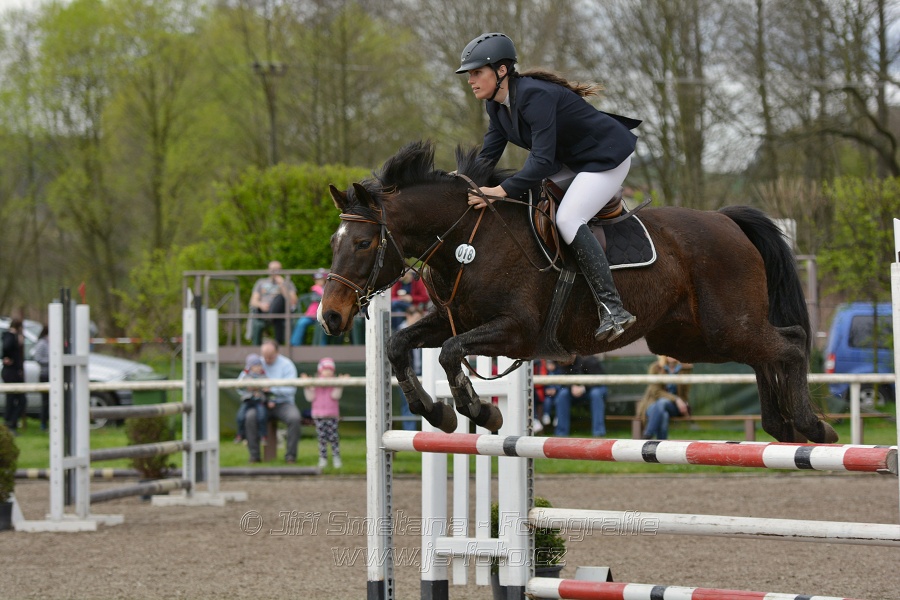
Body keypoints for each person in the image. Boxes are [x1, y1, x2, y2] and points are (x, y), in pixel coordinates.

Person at [457, 32, 640, 342]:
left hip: (605, 158)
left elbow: (540, 162)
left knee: (568, 218)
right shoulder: (496, 106)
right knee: (533, 202)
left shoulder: (534, 96)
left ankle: (613, 307)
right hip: (571, 160)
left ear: (501, 71)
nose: (471, 80)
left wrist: (499, 192)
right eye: (469, 74)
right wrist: (458, 183)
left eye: (477, 72)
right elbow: (487, 156)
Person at [243, 340, 301, 463]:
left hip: (283, 403)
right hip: (261, 403)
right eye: (265, 356)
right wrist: (248, 386)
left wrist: (271, 389)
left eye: (271, 356)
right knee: (250, 417)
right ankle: (254, 456)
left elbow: (291, 390)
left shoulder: (287, 365)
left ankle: (290, 456)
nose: (267, 359)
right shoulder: (256, 362)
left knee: (294, 418)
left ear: (277, 352)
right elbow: (240, 382)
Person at [302, 357, 346, 469]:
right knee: (322, 438)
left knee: (333, 437)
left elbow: (335, 396)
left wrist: (340, 384)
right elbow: (310, 397)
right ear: (320, 370)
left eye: (330, 369)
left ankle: (336, 457)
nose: (328, 372)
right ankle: (323, 458)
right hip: (319, 415)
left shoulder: (334, 382)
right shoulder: (315, 382)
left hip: (332, 415)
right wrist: (307, 385)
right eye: (325, 369)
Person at [637, 355, 693, 440]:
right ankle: (661, 446)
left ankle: (647, 436)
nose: (671, 354)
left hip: (675, 406)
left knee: (663, 403)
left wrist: (680, 402)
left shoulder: (685, 368)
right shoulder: (656, 367)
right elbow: (656, 391)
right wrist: (676, 399)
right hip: (653, 403)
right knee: (663, 414)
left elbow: (685, 392)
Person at [552, 355, 608, 437]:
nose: (561, 362)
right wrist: (572, 387)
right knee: (562, 395)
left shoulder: (588, 360)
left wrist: (583, 388)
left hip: (594, 388)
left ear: (573, 355)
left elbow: (599, 380)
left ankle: (598, 432)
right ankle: (561, 433)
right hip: (574, 391)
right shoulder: (563, 363)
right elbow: (562, 381)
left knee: (596, 394)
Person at [249, 260, 298, 345]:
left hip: (281, 313)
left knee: (280, 298)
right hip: (264, 311)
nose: (274, 272)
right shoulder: (261, 282)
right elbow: (253, 301)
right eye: (272, 269)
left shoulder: (287, 283)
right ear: (268, 270)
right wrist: (261, 305)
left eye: (277, 269)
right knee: (276, 319)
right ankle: (277, 343)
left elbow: (293, 302)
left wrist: (282, 285)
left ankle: (272, 316)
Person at [395, 305, 424, 431]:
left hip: (422, 371)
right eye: (417, 318)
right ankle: (409, 433)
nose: (419, 322)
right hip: (406, 373)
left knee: (427, 402)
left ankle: (427, 431)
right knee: (408, 403)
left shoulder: (422, 332)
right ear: (408, 316)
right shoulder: (398, 334)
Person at [235, 354, 269, 444]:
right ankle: (240, 435)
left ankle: (263, 436)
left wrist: (262, 389)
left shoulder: (264, 376)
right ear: (250, 366)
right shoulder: (244, 376)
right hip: (247, 401)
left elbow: (268, 389)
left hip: (259, 401)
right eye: (255, 365)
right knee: (240, 417)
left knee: (262, 416)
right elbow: (239, 387)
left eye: (259, 365)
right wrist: (247, 387)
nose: (258, 367)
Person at [290, 269, 328, 346]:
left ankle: (322, 346)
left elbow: (325, 298)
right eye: (316, 279)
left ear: (324, 279)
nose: (317, 281)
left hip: (322, 316)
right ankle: (295, 344)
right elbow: (316, 297)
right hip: (310, 315)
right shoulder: (315, 288)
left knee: (322, 327)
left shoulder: (327, 288)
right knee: (301, 322)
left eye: (320, 279)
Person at [2, 318, 26, 433]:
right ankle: (10, 423)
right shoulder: (11, 336)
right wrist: (8, 358)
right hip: (11, 372)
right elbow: (6, 348)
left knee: (17, 399)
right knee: (14, 399)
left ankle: (11, 423)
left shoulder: (12, 336)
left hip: (14, 372)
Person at [33, 325, 50, 431]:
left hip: (53, 375)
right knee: (45, 402)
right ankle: (43, 424)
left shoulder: (53, 343)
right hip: (45, 375)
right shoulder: (42, 343)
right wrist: (52, 361)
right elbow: (38, 358)